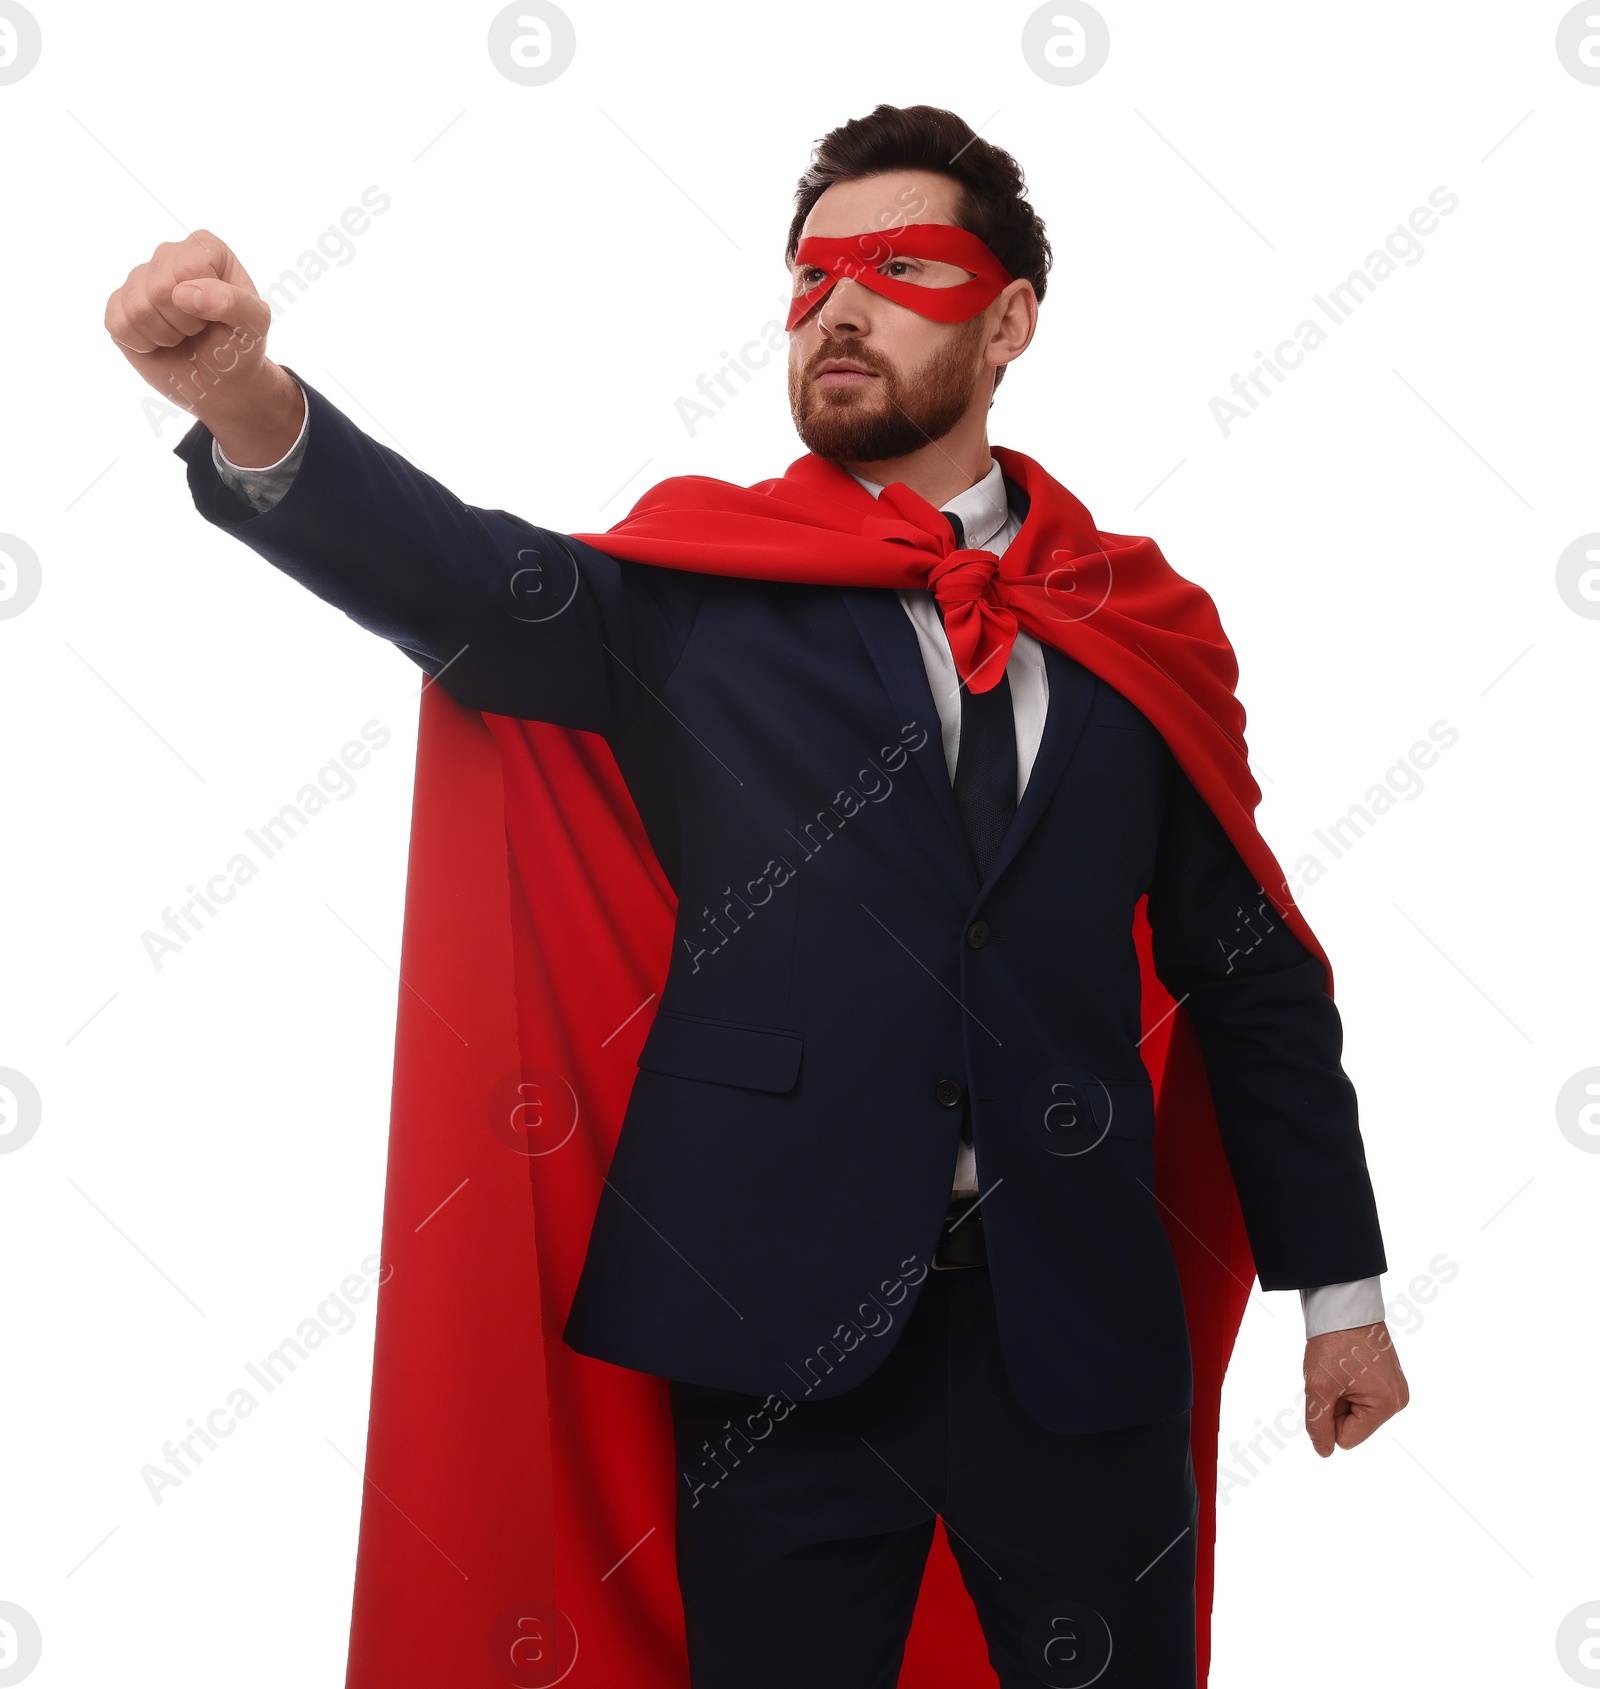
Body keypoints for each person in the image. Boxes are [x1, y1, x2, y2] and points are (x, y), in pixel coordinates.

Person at [105, 103, 1407, 1689]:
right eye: (810, 278)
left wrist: (1340, 1292)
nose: (837, 306)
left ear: (1009, 322)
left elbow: (1252, 970)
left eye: (900, 266)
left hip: (1076, 1332)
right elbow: (448, 572)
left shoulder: (1137, 625)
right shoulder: (700, 598)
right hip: (776, 1340)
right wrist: (247, 402)